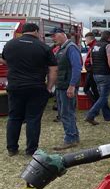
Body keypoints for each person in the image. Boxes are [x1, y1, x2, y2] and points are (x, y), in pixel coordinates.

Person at [1, 23, 57, 156]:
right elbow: (53, 69)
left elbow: (3, 59)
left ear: (23, 31)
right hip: (36, 87)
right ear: (36, 31)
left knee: (14, 117)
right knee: (33, 118)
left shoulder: (10, 44)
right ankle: (31, 150)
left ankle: (12, 148)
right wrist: (49, 87)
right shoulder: (43, 47)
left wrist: (16, 64)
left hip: (15, 86)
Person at [49, 27, 82, 150]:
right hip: (62, 85)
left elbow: (77, 67)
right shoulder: (63, 48)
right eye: (51, 36)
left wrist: (72, 86)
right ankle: (74, 136)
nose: (52, 38)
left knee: (66, 113)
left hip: (66, 86)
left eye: (54, 35)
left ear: (62, 34)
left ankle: (70, 139)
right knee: (67, 112)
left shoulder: (71, 48)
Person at [85, 31, 110, 125]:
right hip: (105, 74)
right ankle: (90, 115)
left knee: (102, 95)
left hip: (95, 74)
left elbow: (91, 60)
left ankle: (107, 115)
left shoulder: (95, 46)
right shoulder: (108, 46)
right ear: (109, 37)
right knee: (104, 96)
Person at [83, 32, 100, 103]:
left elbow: (95, 59)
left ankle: (96, 104)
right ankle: (97, 104)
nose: (85, 41)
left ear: (89, 39)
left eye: (86, 39)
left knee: (87, 89)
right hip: (91, 70)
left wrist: (90, 68)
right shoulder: (92, 46)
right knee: (94, 89)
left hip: (92, 71)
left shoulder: (94, 46)